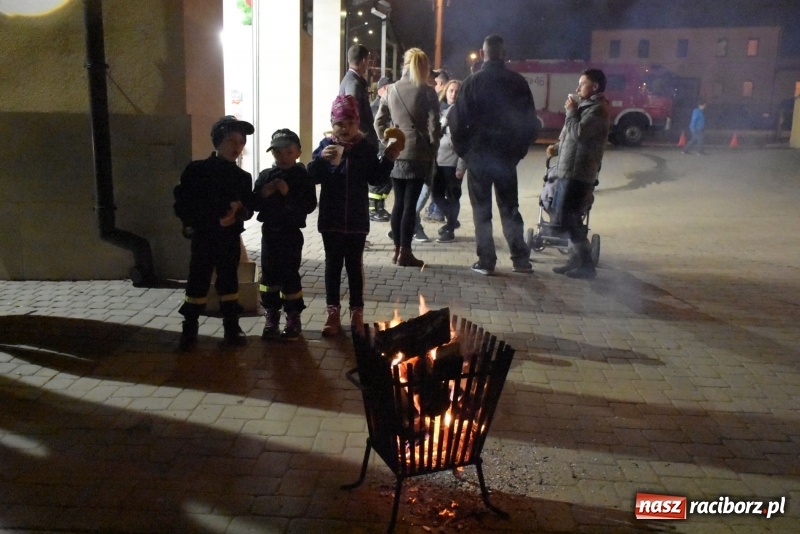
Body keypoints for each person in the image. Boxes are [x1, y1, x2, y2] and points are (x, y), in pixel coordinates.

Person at [308, 95, 400, 336]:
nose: (345, 128)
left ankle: (357, 314)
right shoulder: (325, 146)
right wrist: (320, 160)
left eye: (350, 122)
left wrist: (389, 158)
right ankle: (332, 314)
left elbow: (376, 178)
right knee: (332, 266)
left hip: (357, 220)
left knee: (354, 267)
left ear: (357, 123)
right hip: (331, 219)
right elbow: (312, 176)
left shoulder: (364, 148)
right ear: (332, 122)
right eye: (340, 123)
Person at [449, 35, 539, 275]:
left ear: (482, 53)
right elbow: (531, 123)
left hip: (478, 158)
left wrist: (466, 153)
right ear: (504, 53)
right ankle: (520, 259)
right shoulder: (518, 83)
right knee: (510, 208)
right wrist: (518, 152)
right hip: (506, 159)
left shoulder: (471, 83)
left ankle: (487, 261)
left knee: (482, 211)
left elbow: (456, 123)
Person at [173, 115, 255, 349]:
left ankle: (231, 326)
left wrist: (240, 211)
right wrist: (190, 223)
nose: (237, 147)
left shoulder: (242, 177)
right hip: (204, 237)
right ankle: (190, 328)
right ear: (217, 141)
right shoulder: (197, 170)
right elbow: (183, 201)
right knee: (198, 280)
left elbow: (248, 207)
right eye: (231, 140)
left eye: (241, 142)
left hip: (229, 239)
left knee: (229, 281)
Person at [375, 47, 441, 267]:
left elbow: (378, 122)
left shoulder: (391, 90)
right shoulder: (427, 91)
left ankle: (396, 251)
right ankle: (405, 252)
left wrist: (389, 142)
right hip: (417, 154)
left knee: (398, 204)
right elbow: (433, 125)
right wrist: (433, 147)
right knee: (409, 206)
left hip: (395, 152)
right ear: (423, 67)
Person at [251, 129, 317, 341]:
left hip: (291, 233)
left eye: (289, 151)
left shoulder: (302, 176)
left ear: (298, 152)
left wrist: (288, 192)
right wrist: (263, 193)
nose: (284, 157)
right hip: (270, 233)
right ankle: (271, 316)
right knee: (269, 276)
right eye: (278, 152)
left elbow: (308, 205)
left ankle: (293, 316)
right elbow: (253, 203)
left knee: (290, 274)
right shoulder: (265, 176)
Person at [546, 68, 611, 279]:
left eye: (582, 84)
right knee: (568, 218)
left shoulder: (598, 110)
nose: (577, 88)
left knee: (569, 219)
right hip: (568, 171)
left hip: (580, 174)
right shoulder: (585, 107)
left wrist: (571, 112)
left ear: (595, 87)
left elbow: (579, 134)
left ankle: (586, 265)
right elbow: (568, 136)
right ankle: (575, 261)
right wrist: (556, 148)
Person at [432, 79, 466, 243]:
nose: (453, 94)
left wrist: (461, 165)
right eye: (451, 90)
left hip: (453, 162)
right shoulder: (439, 110)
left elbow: (465, 142)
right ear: (445, 91)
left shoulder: (462, 112)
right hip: (438, 160)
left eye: (457, 91)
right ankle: (452, 220)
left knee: (453, 197)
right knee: (436, 194)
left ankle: (450, 228)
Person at [368, 76, 394, 222]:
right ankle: (373, 210)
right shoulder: (375, 107)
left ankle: (380, 207)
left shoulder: (387, 104)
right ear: (382, 89)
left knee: (386, 182)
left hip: (386, 145)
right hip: (380, 147)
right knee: (377, 184)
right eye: (390, 87)